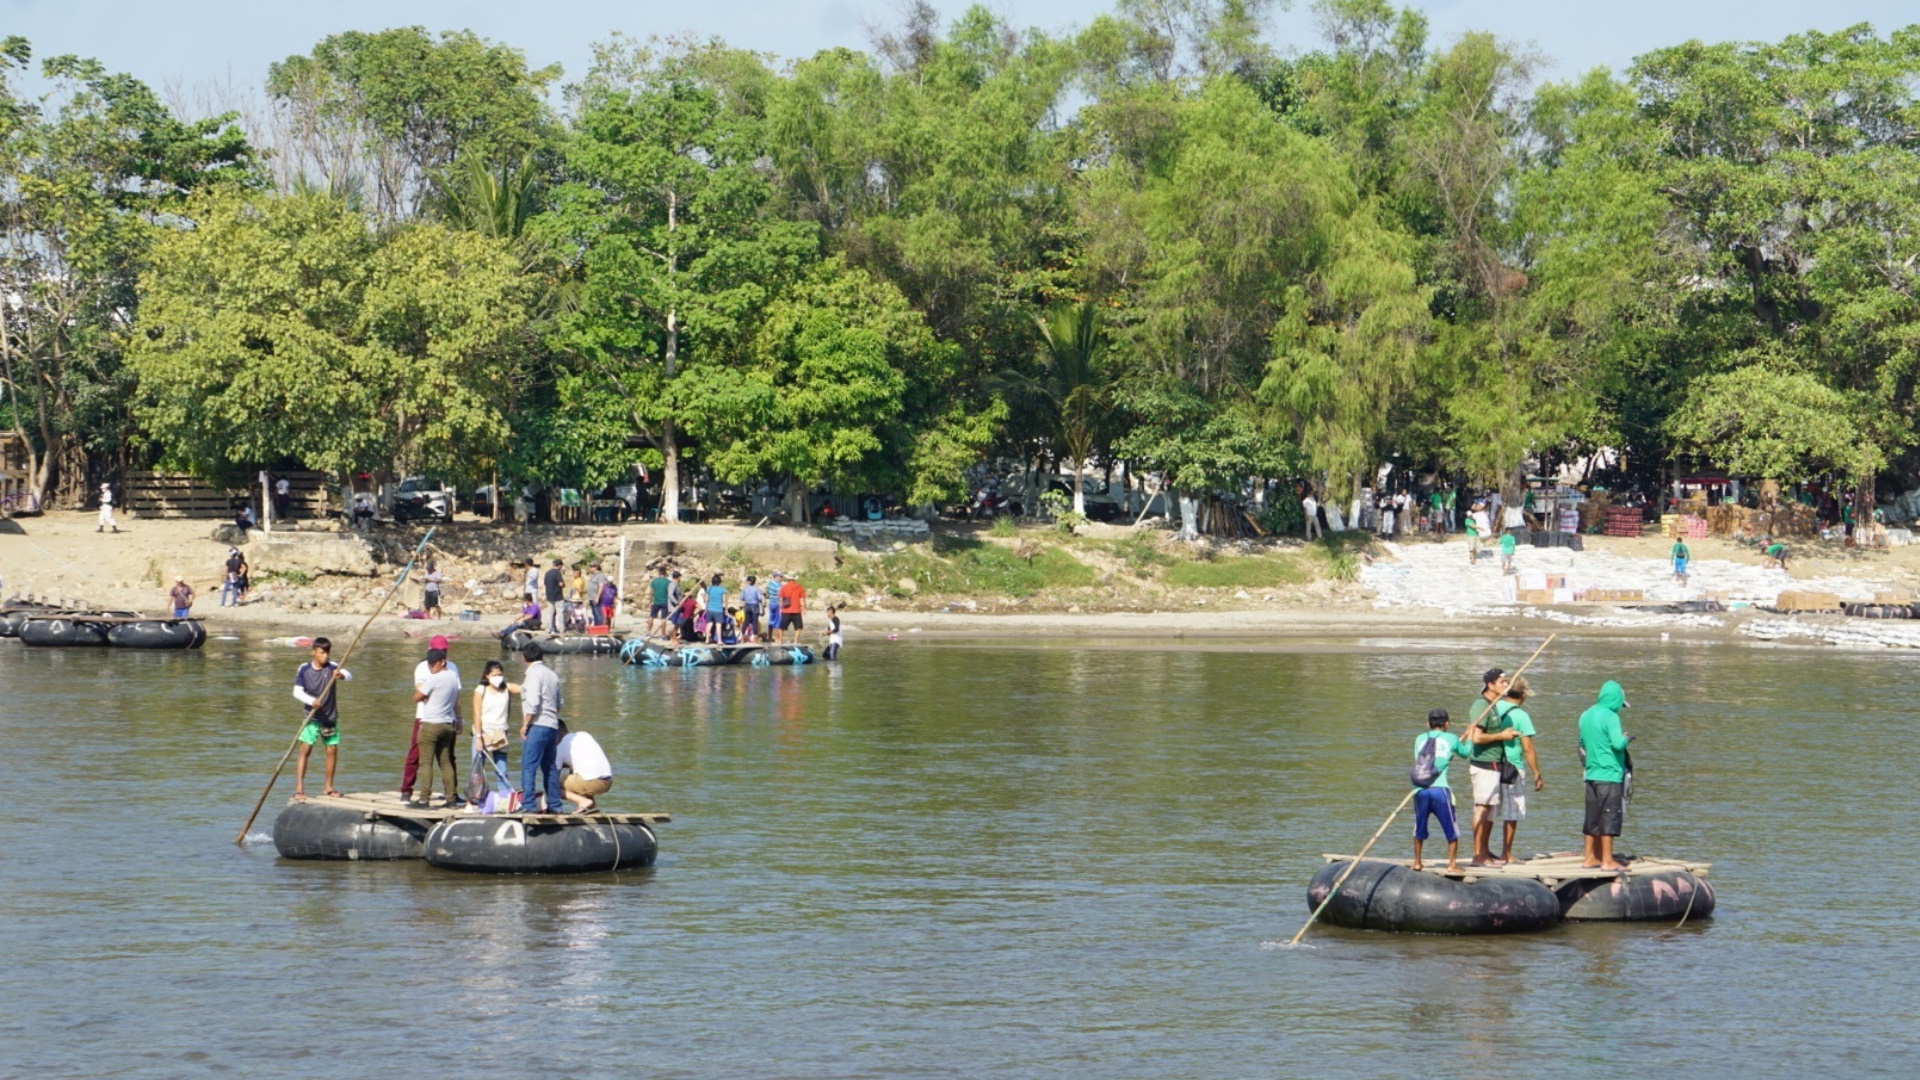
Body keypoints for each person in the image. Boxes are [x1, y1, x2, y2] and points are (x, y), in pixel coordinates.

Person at [1462, 667, 1521, 866]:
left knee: (1490, 810)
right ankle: (1478, 855)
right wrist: (1502, 736)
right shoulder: (1481, 705)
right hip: (1484, 764)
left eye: (1507, 681)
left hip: (1495, 764)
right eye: (1503, 682)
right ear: (1490, 685)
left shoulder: (1493, 705)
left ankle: (1485, 851)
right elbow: (1477, 737)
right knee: (1482, 807)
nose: (1507, 685)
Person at [1579, 681, 1632, 871]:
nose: (1619, 708)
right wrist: (1626, 738)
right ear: (1616, 699)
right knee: (1609, 816)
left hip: (1591, 773)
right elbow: (1617, 744)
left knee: (1592, 817)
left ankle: (1589, 858)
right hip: (1609, 774)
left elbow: (1582, 743)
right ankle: (1608, 861)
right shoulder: (1611, 717)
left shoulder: (1586, 715)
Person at [1411, 708, 1470, 873]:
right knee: (1451, 829)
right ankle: (1452, 865)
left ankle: (1417, 862)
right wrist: (1470, 737)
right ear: (1447, 724)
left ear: (1428, 724)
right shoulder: (1451, 738)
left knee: (1419, 827)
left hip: (1421, 790)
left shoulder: (1419, 739)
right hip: (1440, 791)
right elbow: (1465, 753)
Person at [399, 634, 458, 800]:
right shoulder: (422, 667)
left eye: (444, 651)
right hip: (424, 716)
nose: (442, 653)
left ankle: (450, 792)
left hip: (447, 717)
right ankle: (406, 789)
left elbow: (456, 695)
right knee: (415, 755)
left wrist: (459, 718)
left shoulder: (452, 668)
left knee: (447, 757)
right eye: (439, 650)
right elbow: (420, 688)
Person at [292, 637, 351, 801]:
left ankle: (328, 787)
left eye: (327, 652)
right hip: (311, 718)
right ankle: (299, 790)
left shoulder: (332, 667)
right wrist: (311, 701)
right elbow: (297, 692)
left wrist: (341, 675)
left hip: (329, 718)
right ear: (314, 652)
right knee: (305, 750)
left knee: (331, 750)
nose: (325, 656)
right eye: (322, 652)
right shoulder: (304, 669)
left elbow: (349, 675)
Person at [1493, 676, 1544, 864]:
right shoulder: (1521, 716)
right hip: (1512, 768)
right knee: (1511, 813)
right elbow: (1528, 748)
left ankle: (1481, 851)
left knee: (1486, 811)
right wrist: (1536, 773)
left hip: (1491, 765)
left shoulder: (1492, 708)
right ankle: (1506, 853)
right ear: (1523, 695)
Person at [519, 642, 564, 813]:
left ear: (524, 658)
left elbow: (533, 703)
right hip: (552, 726)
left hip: (537, 725)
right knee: (550, 767)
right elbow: (560, 703)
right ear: (542, 656)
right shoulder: (552, 674)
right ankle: (555, 806)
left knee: (529, 767)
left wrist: (525, 725)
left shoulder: (533, 674)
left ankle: (528, 805)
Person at [471, 659, 518, 790]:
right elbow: (476, 714)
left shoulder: (506, 688)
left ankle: (504, 796)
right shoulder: (481, 690)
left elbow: (525, 689)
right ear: (487, 675)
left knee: (502, 770)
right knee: (477, 771)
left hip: (500, 734)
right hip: (483, 733)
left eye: (500, 675)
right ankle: (476, 796)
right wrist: (478, 738)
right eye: (494, 675)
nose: (497, 678)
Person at [555, 723, 613, 813]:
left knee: (553, 786)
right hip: (607, 782)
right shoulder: (583, 735)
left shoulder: (560, 748)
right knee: (578, 773)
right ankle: (591, 806)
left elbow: (554, 775)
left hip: (591, 783)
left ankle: (583, 801)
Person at [778, 573, 806, 645]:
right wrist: (803, 608)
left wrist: (780, 608)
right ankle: (795, 641)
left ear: (787, 578)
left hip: (786, 610)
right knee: (798, 627)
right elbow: (802, 599)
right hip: (796, 610)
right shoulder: (799, 587)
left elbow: (781, 599)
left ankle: (780, 641)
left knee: (781, 626)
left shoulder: (784, 587)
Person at [648, 568, 673, 638]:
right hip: (665, 602)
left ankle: (648, 632)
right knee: (663, 619)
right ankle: (663, 635)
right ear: (665, 573)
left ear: (659, 573)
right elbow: (670, 594)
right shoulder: (668, 582)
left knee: (651, 617)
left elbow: (651, 592)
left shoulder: (654, 581)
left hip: (656, 601)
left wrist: (650, 602)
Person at [544, 558, 566, 632]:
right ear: (559, 565)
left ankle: (549, 628)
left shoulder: (547, 573)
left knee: (550, 613)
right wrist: (564, 584)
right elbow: (561, 584)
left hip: (549, 596)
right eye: (561, 566)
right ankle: (561, 629)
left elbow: (545, 583)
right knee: (560, 613)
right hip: (558, 596)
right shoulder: (557, 573)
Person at [740, 574, 763, 642]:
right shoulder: (756, 589)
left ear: (748, 581)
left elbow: (741, 598)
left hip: (747, 606)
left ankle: (743, 636)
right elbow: (760, 598)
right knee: (754, 622)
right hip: (754, 606)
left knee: (746, 621)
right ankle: (755, 637)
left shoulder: (745, 589)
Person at [705, 573, 726, 644]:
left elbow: (706, 600)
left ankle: (707, 639)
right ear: (719, 581)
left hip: (710, 609)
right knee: (718, 625)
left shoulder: (709, 589)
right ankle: (719, 640)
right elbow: (724, 600)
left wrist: (706, 609)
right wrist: (726, 609)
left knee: (709, 624)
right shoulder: (722, 589)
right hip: (718, 609)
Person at [766, 572, 785, 640]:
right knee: (778, 620)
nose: (782, 578)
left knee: (771, 619)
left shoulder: (770, 583)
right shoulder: (779, 585)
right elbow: (780, 593)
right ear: (776, 577)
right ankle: (777, 638)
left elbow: (767, 592)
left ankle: (769, 636)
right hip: (777, 603)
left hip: (771, 603)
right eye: (780, 576)